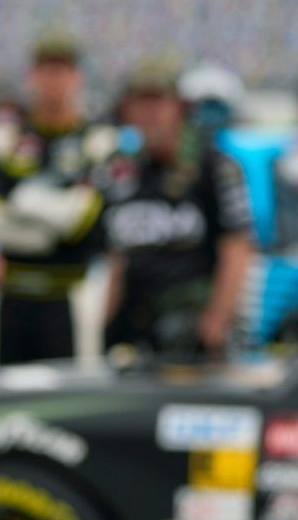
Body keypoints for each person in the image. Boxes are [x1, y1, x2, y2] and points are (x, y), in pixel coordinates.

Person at [0, 33, 118, 365]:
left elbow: (88, 219)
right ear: (32, 76)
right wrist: (52, 217)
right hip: (13, 295)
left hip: (70, 297)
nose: (54, 81)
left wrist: (24, 207)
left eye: (62, 70)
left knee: (70, 399)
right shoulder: (8, 139)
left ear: (77, 77)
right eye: (46, 70)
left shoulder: (96, 141)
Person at [102, 56, 254, 358]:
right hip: (134, 326)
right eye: (141, 103)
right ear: (128, 110)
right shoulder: (122, 169)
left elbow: (237, 247)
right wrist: (106, 321)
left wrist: (216, 322)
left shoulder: (214, 166)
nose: (150, 113)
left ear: (179, 108)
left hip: (189, 325)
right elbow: (116, 253)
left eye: (158, 101)